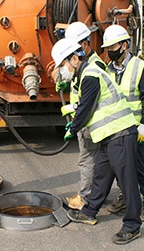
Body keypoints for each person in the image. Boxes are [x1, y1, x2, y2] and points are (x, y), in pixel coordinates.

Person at [52, 38, 142, 244]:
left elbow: (87, 107)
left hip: (120, 131)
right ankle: (90, 211)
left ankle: (132, 225)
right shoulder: (85, 75)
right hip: (107, 135)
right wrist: (73, 111)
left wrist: (73, 128)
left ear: (74, 58)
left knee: (127, 181)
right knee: (101, 175)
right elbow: (88, 103)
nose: (61, 70)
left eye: (62, 65)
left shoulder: (91, 74)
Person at [101, 25, 144, 223]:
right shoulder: (107, 70)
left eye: (113, 46)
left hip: (135, 127)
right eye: (107, 47)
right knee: (121, 167)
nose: (109, 50)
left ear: (124, 45)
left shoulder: (141, 67)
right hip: (115, 128)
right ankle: (125, 196)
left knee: (140, 165)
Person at [58, 22, 105, 210]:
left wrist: (76, 124)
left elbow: (88, 101)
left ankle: (86, 198)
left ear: (85, 43)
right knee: (92, 159)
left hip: (90, 121)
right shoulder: (84, 64)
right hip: (84, 118)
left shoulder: (94, 65)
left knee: (88, 159)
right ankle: (93, 194)